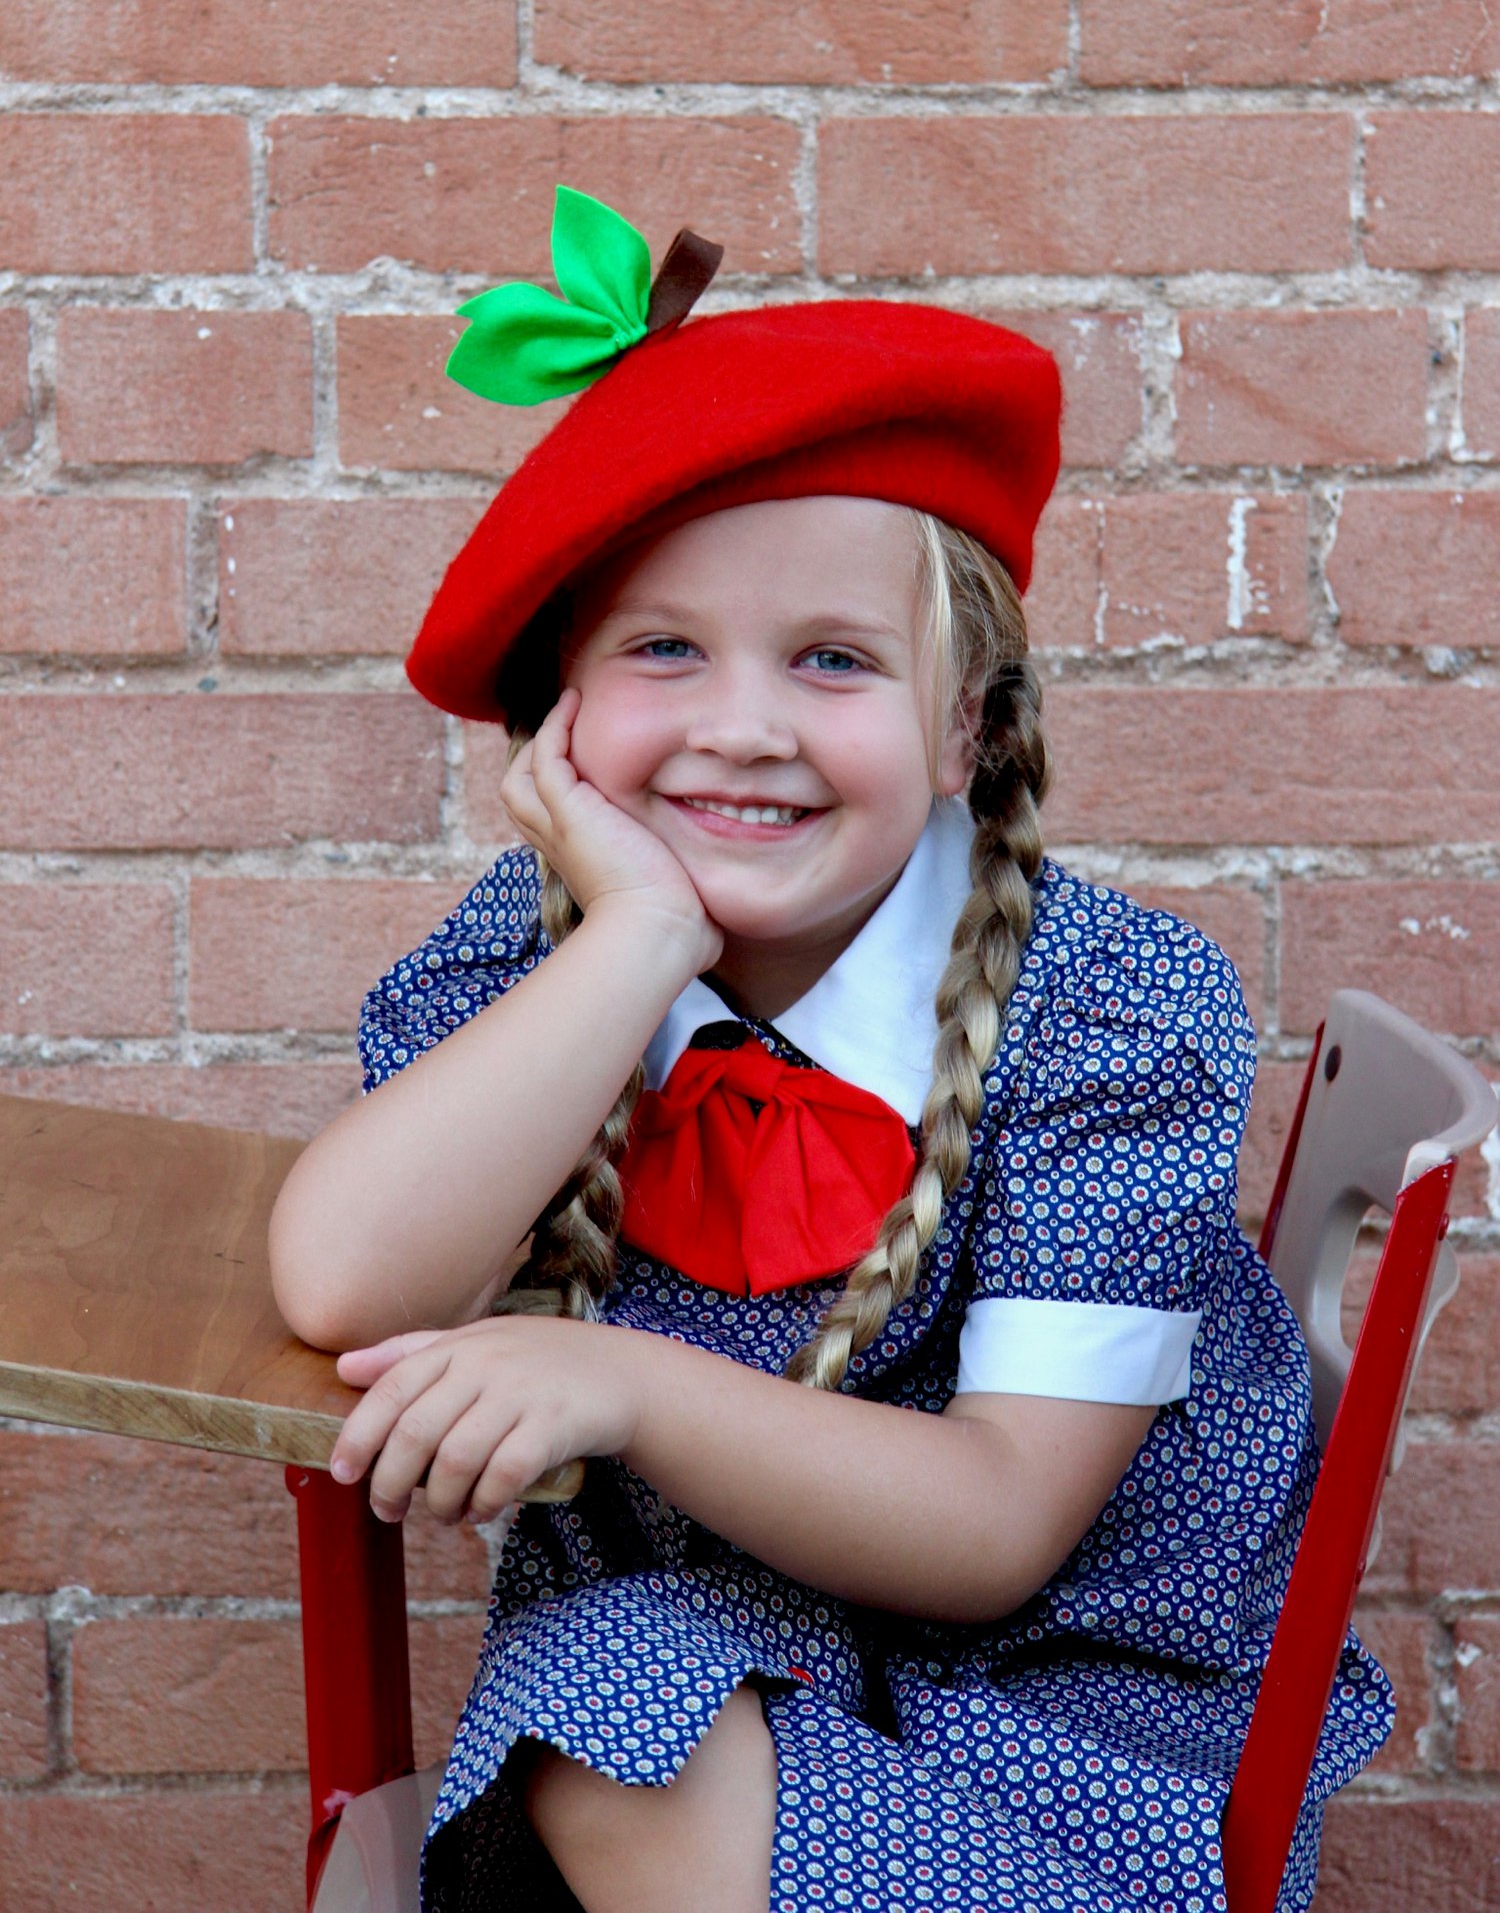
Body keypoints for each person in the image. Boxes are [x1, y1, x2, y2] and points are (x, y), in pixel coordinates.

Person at [268, 189, 1394, 1913]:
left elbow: (1001, 1518)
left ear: (963, 725)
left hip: (1053, 1744)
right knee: (602, 1686)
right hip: (718, 1673)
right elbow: (344, 1281)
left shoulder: (1108, 1012)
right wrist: (642, 937)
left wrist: (628, 1384)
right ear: (561, 706)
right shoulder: (545, 952)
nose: (741, 726)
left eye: (832, 660)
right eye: (662, 648)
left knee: (606, 1692)